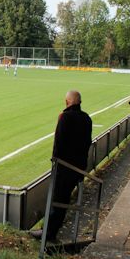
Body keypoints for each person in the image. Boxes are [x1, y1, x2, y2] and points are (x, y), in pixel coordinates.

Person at [29, 90, 93, 241]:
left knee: (57, 201)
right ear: (80, 102)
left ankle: (48, 234)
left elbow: (59, 144)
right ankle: (50, 232)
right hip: (78, 168)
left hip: (64, 168)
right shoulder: (87, 119)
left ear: (67, 102)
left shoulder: (64, 117)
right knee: (63, 202)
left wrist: (55, 162)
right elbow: (87, 143)